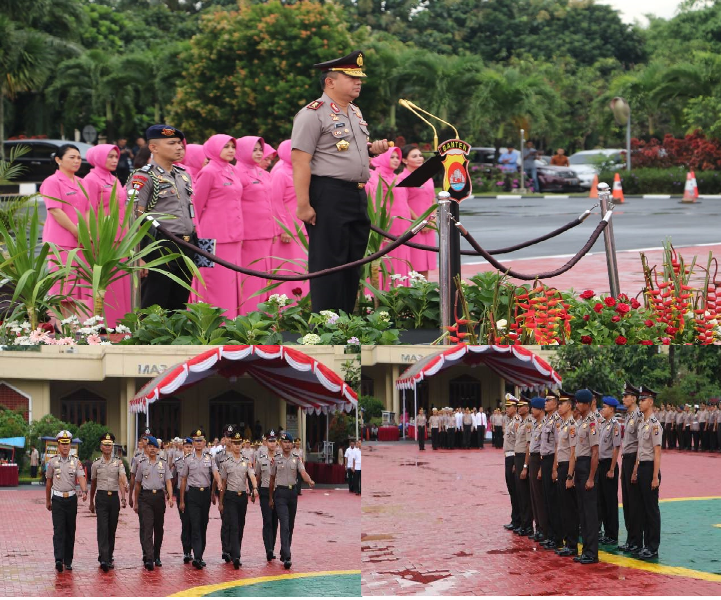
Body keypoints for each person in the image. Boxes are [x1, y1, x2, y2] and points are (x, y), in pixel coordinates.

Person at [291, 50, 389, 314]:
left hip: (355, 194)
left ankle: (345, 322)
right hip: (328, 194)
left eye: (359, 78)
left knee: (351, 264)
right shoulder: (313, 114)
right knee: (328, 265)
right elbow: (300, 160)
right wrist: (304, 205)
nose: (358, 82)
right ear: (330, 81)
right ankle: (325, 325)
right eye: (351, 77)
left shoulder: (354, 112)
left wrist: (371, 149)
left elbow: (341, 150)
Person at [127, 124, 197, 311]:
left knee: (179, 305)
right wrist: (138, 256)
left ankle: (177, 340)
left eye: (180, 143)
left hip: (186, 245)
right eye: (172, 143)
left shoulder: (182, 176)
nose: (179, 147)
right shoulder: (143, 177)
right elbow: (134, 217)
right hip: (158, 247)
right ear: (154, 147)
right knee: (154, 304)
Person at [192, 134, 245, 318]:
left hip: (234, 235)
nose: (231, 150)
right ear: (214, 148)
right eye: (226, 146)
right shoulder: (208, 172)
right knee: (214, 281)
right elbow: (196, 206)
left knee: (230, 281)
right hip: (212, 236)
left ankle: (231, 320)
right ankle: (214, 322)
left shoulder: (232, 170)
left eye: (232, 146)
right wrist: (196, 236)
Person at [82, 144, 131, 327]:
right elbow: (88, 210)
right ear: (98, 158)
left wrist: (128, 235)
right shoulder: (91, 179)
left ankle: (120, 323)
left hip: (120, 237)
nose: (114, 160)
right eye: (109, 156)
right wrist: (92, 238)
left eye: (115, 156)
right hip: (104, 238)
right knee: (105, 284)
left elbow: (122, 209)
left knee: (121, 282)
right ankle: (102, 324)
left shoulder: (114, 179)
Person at [40, 144, 91, 314]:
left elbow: (87, 210)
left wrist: (88, 232)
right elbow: (55, 210)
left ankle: (72, 324)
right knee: (62, 284)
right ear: (58, 160)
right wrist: (78, 232)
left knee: (76, 286)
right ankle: (63, 326)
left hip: (80, 241)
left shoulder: (82, 182)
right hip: (60, 241)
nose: (77, 161)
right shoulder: (52, 182)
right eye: (72, 157)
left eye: (78, 157)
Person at [234, 136, 276, 312]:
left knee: (264, 277)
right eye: (254, 149)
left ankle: (264, 317)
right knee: (250, 277)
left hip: (265, 232)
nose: (259, 153)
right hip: (249, 235)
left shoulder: (263, 173)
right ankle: (249, 316)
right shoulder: (237, 173)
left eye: (260, 149)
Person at [366, 146, 412, 289]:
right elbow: (376, 203)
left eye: (397, 157)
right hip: (388, 228)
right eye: (392, 157)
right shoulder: (377, 176)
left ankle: (402, 293)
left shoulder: (396, 178)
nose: (396, 160)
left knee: (402, 261)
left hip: (403, 226)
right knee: (389, 264)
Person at [269, 139, 309, 299]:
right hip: (289, 232)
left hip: (304, 227)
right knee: (288, 268)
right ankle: (285, 305)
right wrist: (283, 229)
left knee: (303, 268)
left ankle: (303, 304)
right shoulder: (280, 173)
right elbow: (275, 202)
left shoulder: (304, 171)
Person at [269, 432, 315, 569]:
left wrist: (309, 480)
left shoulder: (297, 458)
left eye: (289, 442)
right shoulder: (276, 459)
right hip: (280, 493)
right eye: (285, 442)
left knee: (290, 524)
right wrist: (270, 497)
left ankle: (284, 551)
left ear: (292, 444)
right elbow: (272, 479)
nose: (287, 445)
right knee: (284, 523)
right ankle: (288, 556)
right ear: (281, 444)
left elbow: (303, 473)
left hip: (292, 493)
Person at [179, 429, 223, 570]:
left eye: (200, 441)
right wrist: (181, 500)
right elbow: (184, 479)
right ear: (193, 443)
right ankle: (197, 557)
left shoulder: (209, 457)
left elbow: (215, 472)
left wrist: (219, 482)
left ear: (204, 442)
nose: (198, 443)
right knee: (195, 525)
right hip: (192, 494)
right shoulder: (188, 459)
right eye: (195, 441)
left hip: (205, 495)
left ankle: (200, 554)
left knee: (203, 524)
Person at [46, 430, 88, 572]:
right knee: (58, 530)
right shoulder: (52, 462)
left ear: (70, 445)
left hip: (71, 500)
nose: (65, 446)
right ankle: (58, 559)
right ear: (58, 445)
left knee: (70, 530)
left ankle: (68, 560)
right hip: (57, 499)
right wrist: (48, 501)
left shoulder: (76, 462)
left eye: (67, 444)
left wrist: (84, 490)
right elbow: (48, 482)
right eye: (62, 444)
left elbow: (81, 477)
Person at [219, 431, 258, 569]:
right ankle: (236, 556)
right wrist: (220, 502)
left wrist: (255, 487)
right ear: (232, 444)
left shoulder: (246, 461)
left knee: (240, 525)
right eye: (234, 443)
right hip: (230, 497)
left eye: (238, 443)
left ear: (241, 445)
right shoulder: (226, 462)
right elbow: (223, 483)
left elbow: (252, 475)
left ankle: (236, 550)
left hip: (242, 498)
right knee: (234, 525)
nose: (236, 446)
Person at [568, 389, 599, 564]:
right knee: (582, 512)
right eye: (577, 402)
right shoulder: (581, 422)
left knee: (589, 513)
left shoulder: (592, 422)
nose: (577, 405)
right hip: (579, 466)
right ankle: (585, 550)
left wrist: (591, 478)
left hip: (587, 466)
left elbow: (595, 453)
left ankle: (592, 553)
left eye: (580, 402)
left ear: (587, 404)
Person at [133, 435, 173, 570]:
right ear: (147, 448)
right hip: (146, 497)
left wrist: (170, 497)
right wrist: (136, 501)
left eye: (154, 447)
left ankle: (156, 555)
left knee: (158, 529)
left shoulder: (163, 463)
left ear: (158, 449)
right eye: (150, 446)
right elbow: (137, 484)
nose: (152, 449)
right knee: (148, 527)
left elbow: (168, 481)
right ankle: (149, 558)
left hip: (159, 498)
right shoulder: (141, 463)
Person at [632, 387, 662, 559]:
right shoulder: (642, 423)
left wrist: (655, 476)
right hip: (642, 467)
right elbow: (639, 449)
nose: (640, 403)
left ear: (650, 402)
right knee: (642, 508)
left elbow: (657, 452)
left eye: (643, 400)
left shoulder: (654, 425)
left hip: (651, 468)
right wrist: (636, 469)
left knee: (651, 510)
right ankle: (645, 545)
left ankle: (653, 546)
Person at [89, 432, 127, 572]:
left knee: (112, 529)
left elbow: (122, 478)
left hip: (114, 499)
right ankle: (104, 558)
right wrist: (91, 501)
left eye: (109, 445)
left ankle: (109, 555)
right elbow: (93, 483)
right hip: (101, 497)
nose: (107, 447)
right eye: (105, 445)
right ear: (101, 447)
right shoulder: (96, 464)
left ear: (112, 447)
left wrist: (124, 496)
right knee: (102, 528)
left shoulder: (118, 462)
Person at [400, 144, 436, 279]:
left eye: (420, 155)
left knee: (426, 263)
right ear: (404, 160)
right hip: (413, 225)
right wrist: (421, 222)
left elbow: (433, 200)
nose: (419, 158)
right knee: (415, 263)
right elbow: (404, 202)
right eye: (414, 156)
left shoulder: (428, 177)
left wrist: (432, 220)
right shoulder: (402, 178)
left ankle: (424, 293)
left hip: (429, 225)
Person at [553, 392, 579, 557]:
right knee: (563, 506)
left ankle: (572, 544)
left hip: (567, 468)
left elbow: (573, 453)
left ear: (569, 406)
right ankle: (567, 541)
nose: (559, 406)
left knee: (569, 508)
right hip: (561, 466)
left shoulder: (571, 426)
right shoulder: (563, 424)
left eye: (562, 404)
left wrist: (570, 475)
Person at [539, 391, 562, 551]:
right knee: (547, 499)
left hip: (552, 460)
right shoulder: (547, 420)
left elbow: (557, 446)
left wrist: (554, 467)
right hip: (545, 460)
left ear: (555, 403)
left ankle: (557, 537)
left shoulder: (557, 421)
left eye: (548, 400)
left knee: (554, 502)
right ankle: (551, 535)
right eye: (545, 401)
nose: (545, 403)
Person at [597, 397, 621, 546]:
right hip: (600, 464)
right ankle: (606, 532)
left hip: (608, 465)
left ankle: (612, 534)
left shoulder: (615, 425)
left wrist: (612, 468)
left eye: (604, 407)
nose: (602, 409)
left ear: (611, 409)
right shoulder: (602, 424)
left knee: (611, 502)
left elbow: (615, 448)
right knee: (602, 501)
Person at [256, 430, 280, 561]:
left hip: (278, 493)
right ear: (266, 443)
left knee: (275, 522)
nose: (272, 443)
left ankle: (272, 546)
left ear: (277, 443)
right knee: (267, 521)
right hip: (265, 492)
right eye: (269, 441)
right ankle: (268, 549)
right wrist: (255, 490)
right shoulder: (261, 460)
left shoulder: (280, 458)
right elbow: (258, 477)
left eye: (273, 441)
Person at [527, 397, 548, 543]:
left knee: (540, 498)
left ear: (540, 410)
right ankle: (538, 527)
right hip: (533, 459)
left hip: (540, 460)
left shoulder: (545, 424)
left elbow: (544, 448)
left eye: (533, 408)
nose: (531, 410)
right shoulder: (535, 424)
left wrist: (540, 468)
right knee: (534, 497)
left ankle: (544, 529)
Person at [513, 397, 533, 537]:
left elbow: (528, 446)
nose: (519, 408)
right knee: (520, 493)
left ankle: (527, 526)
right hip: (518, 458)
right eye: (518, 406)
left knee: (525, 494)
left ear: (528, 408)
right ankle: (524, 524)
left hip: (524, 458)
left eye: (522, 406)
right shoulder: (521, 422)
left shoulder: (529, 423)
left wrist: (525, 466)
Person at [173, 437, 193, 564]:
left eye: (190, 447)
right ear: (182, 448)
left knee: (194, 522)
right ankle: (186, 551)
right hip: (182, 494)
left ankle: (194, 548)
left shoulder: (197, 461)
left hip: (194, 494)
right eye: (186, 447)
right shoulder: (178, 461)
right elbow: (173, 477)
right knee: (185, 523)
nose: (188, 449)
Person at [502, 395, 520, 532]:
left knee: (516, 491)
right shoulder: (509, 421)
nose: (506, 409)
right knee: (512, 491)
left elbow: (519, 442)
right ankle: (515, 519)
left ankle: (518, 520)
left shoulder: (517, 421)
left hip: (514, 457)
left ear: (515, 407)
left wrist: (515, 462)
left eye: (509, 406)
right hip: (508, 457)